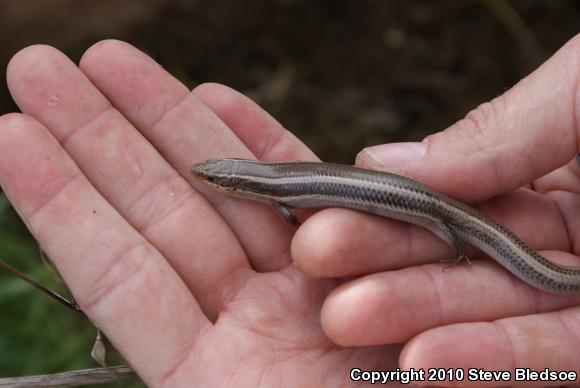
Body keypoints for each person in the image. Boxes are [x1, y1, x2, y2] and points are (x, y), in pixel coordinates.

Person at [0, 36, 579, 387]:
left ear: (237, 185)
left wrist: (458, 246)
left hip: (439, 208)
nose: (209, 180)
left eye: (215, 178)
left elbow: (290, 216)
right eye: (212, 177)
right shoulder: (275, 188)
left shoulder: (278, 193)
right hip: (435, 209)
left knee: (449, 227)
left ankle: (471, 250)